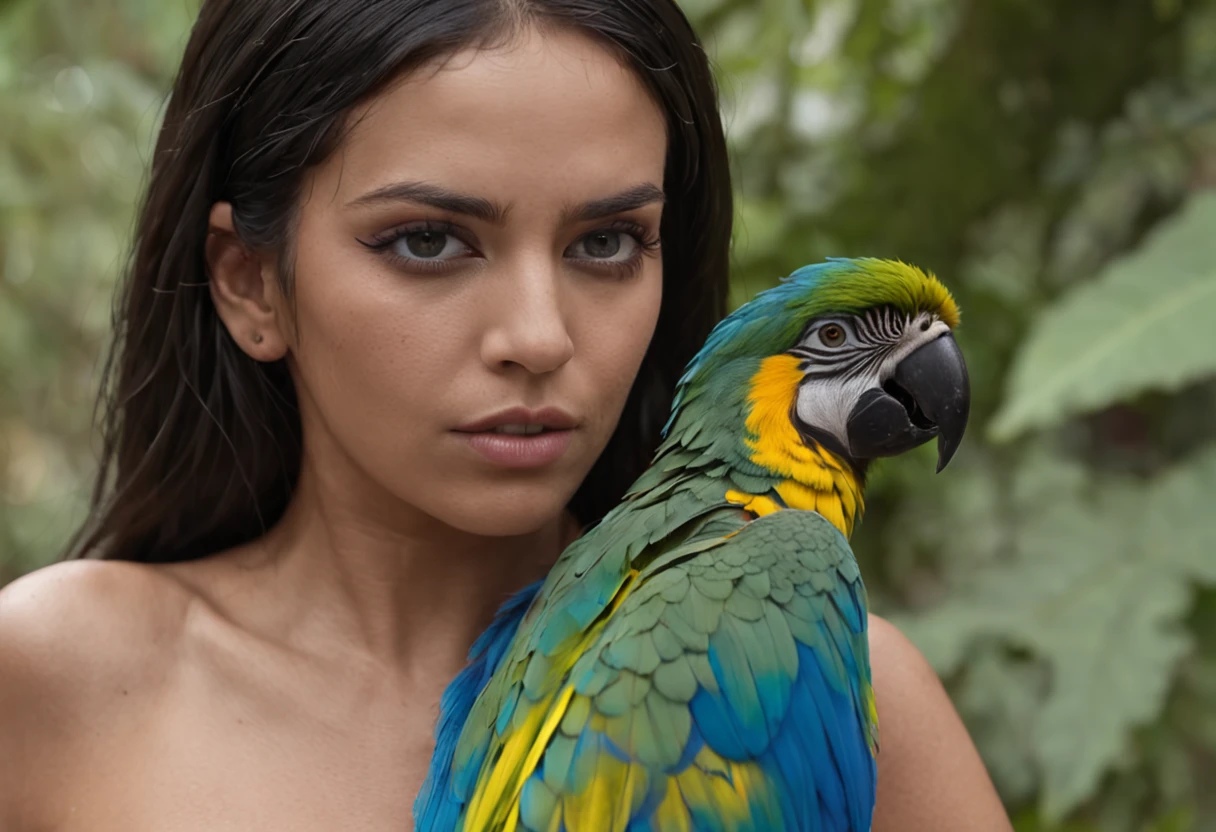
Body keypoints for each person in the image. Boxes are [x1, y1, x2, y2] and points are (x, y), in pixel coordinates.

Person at [0, 0, 1013, 829]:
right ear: (251, 283)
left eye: (607, 242)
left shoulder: (839, 673)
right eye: (428, 241)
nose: (537, 335)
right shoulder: (52, 679)